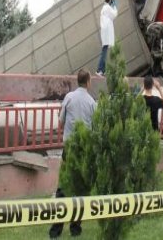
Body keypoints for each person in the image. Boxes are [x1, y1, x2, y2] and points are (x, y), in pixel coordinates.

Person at [49, 69, 97, 238]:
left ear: (78, 81)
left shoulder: (68, 98)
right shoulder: (92, 102)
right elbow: (95, 127)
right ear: (88, 82)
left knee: (63, 188)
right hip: (84, 149)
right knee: (80, 189)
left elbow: (60, 121)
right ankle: (75, 229)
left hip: (69, 149)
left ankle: (56, 230)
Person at [96, 0, 118, 77]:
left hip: (105, 32)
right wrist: (115, 6)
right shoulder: (107, 7)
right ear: (110, 0)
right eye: (111, 0)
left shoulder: (104, 8)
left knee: (104, 50)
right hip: (106, 33)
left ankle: (103, 70)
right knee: (104, 52)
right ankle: (99, 70)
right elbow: (114, 15)